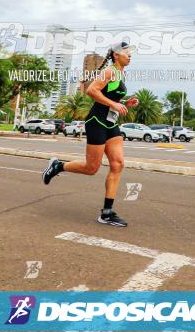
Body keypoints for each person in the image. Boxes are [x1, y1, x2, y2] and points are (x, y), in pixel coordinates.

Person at [42, 40, 138, 226]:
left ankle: (107, 213)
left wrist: (125, 103)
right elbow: (92, 90)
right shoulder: (109, 71)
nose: (130, 54)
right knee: (91, 168)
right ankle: (58, 166)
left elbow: (109, 98)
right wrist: (114, 104)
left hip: (110, 123)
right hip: (96, 122)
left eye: (130, 52)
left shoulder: (120, 73)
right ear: (116, 55)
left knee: (117, 164)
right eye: (126, 52)